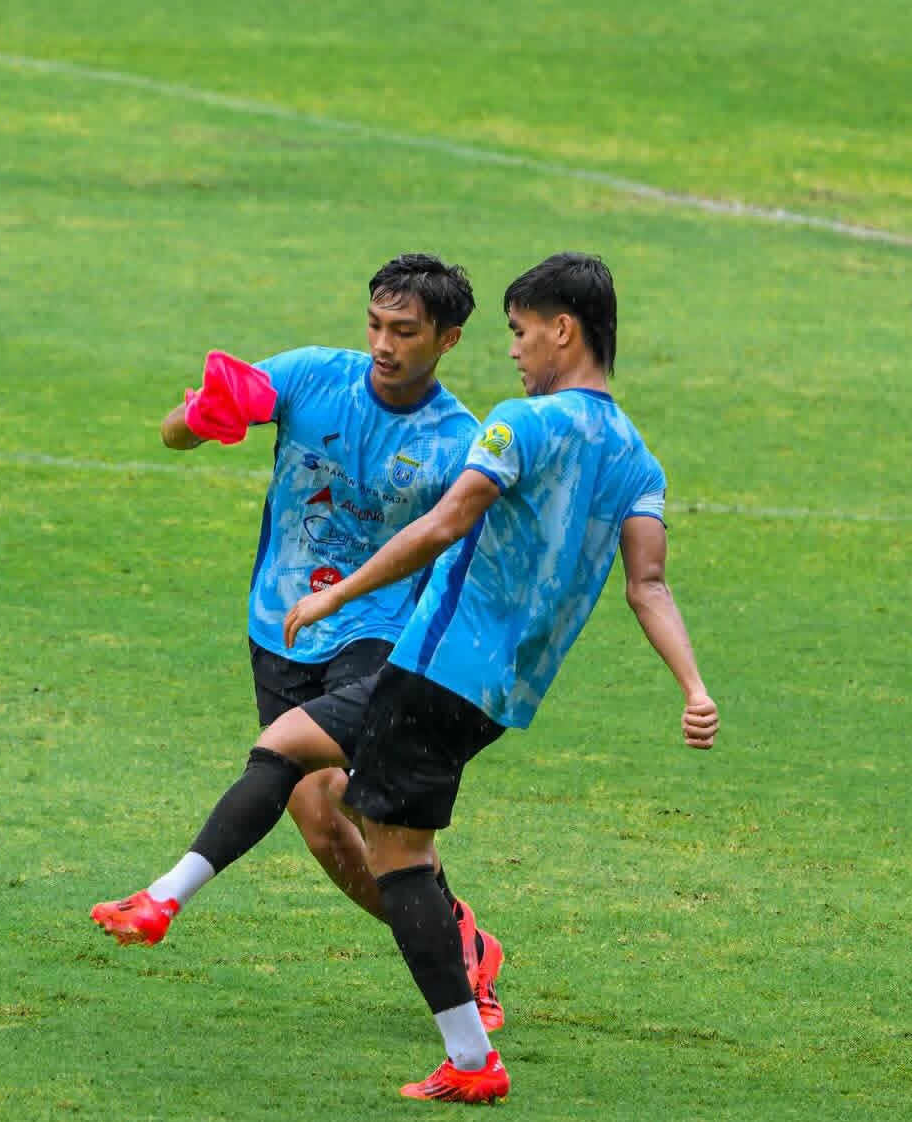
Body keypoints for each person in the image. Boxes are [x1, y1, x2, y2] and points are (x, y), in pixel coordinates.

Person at [95, 252, 720, 1105]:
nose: (517, 351)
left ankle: (165, 899)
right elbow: (648, 584)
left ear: (562, 329)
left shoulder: (513, 426)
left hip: (431, 660)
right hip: (497, 691)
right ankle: (470, 1054)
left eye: (522, 331)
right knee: (385, 846)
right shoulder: (638, 460)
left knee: (325, 791)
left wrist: (342, 594)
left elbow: (445, 523)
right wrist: (693, 687)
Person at [94, 254, 505, 1029]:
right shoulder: (312, 375)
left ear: (448, 339)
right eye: (376, 324)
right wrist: (202, 418)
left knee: (342, 801)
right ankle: (460, 944)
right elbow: (174, 432)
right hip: (278, 626)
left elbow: (473, 558)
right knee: (324, 829)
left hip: (378, 634)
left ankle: (169, 896)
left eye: (406, 331)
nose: (385, 344)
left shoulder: (458, 441)